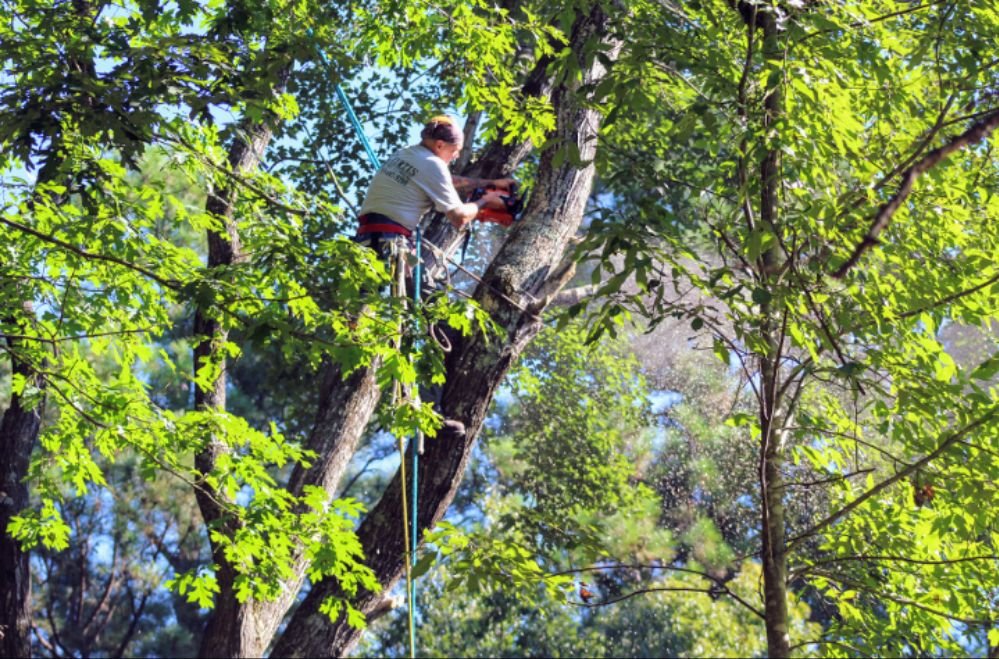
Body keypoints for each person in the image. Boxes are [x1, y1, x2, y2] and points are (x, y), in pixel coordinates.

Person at [354, 114, 516, 261]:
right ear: (440, 145)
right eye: (455, 150)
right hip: (390, 242)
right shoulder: (434, 164)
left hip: (366, 239)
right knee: (426, 292)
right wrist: (484, 201)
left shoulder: (406, 153)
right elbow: (459, 216)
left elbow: (443, 180)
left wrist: (489, 183)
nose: (456, 156)